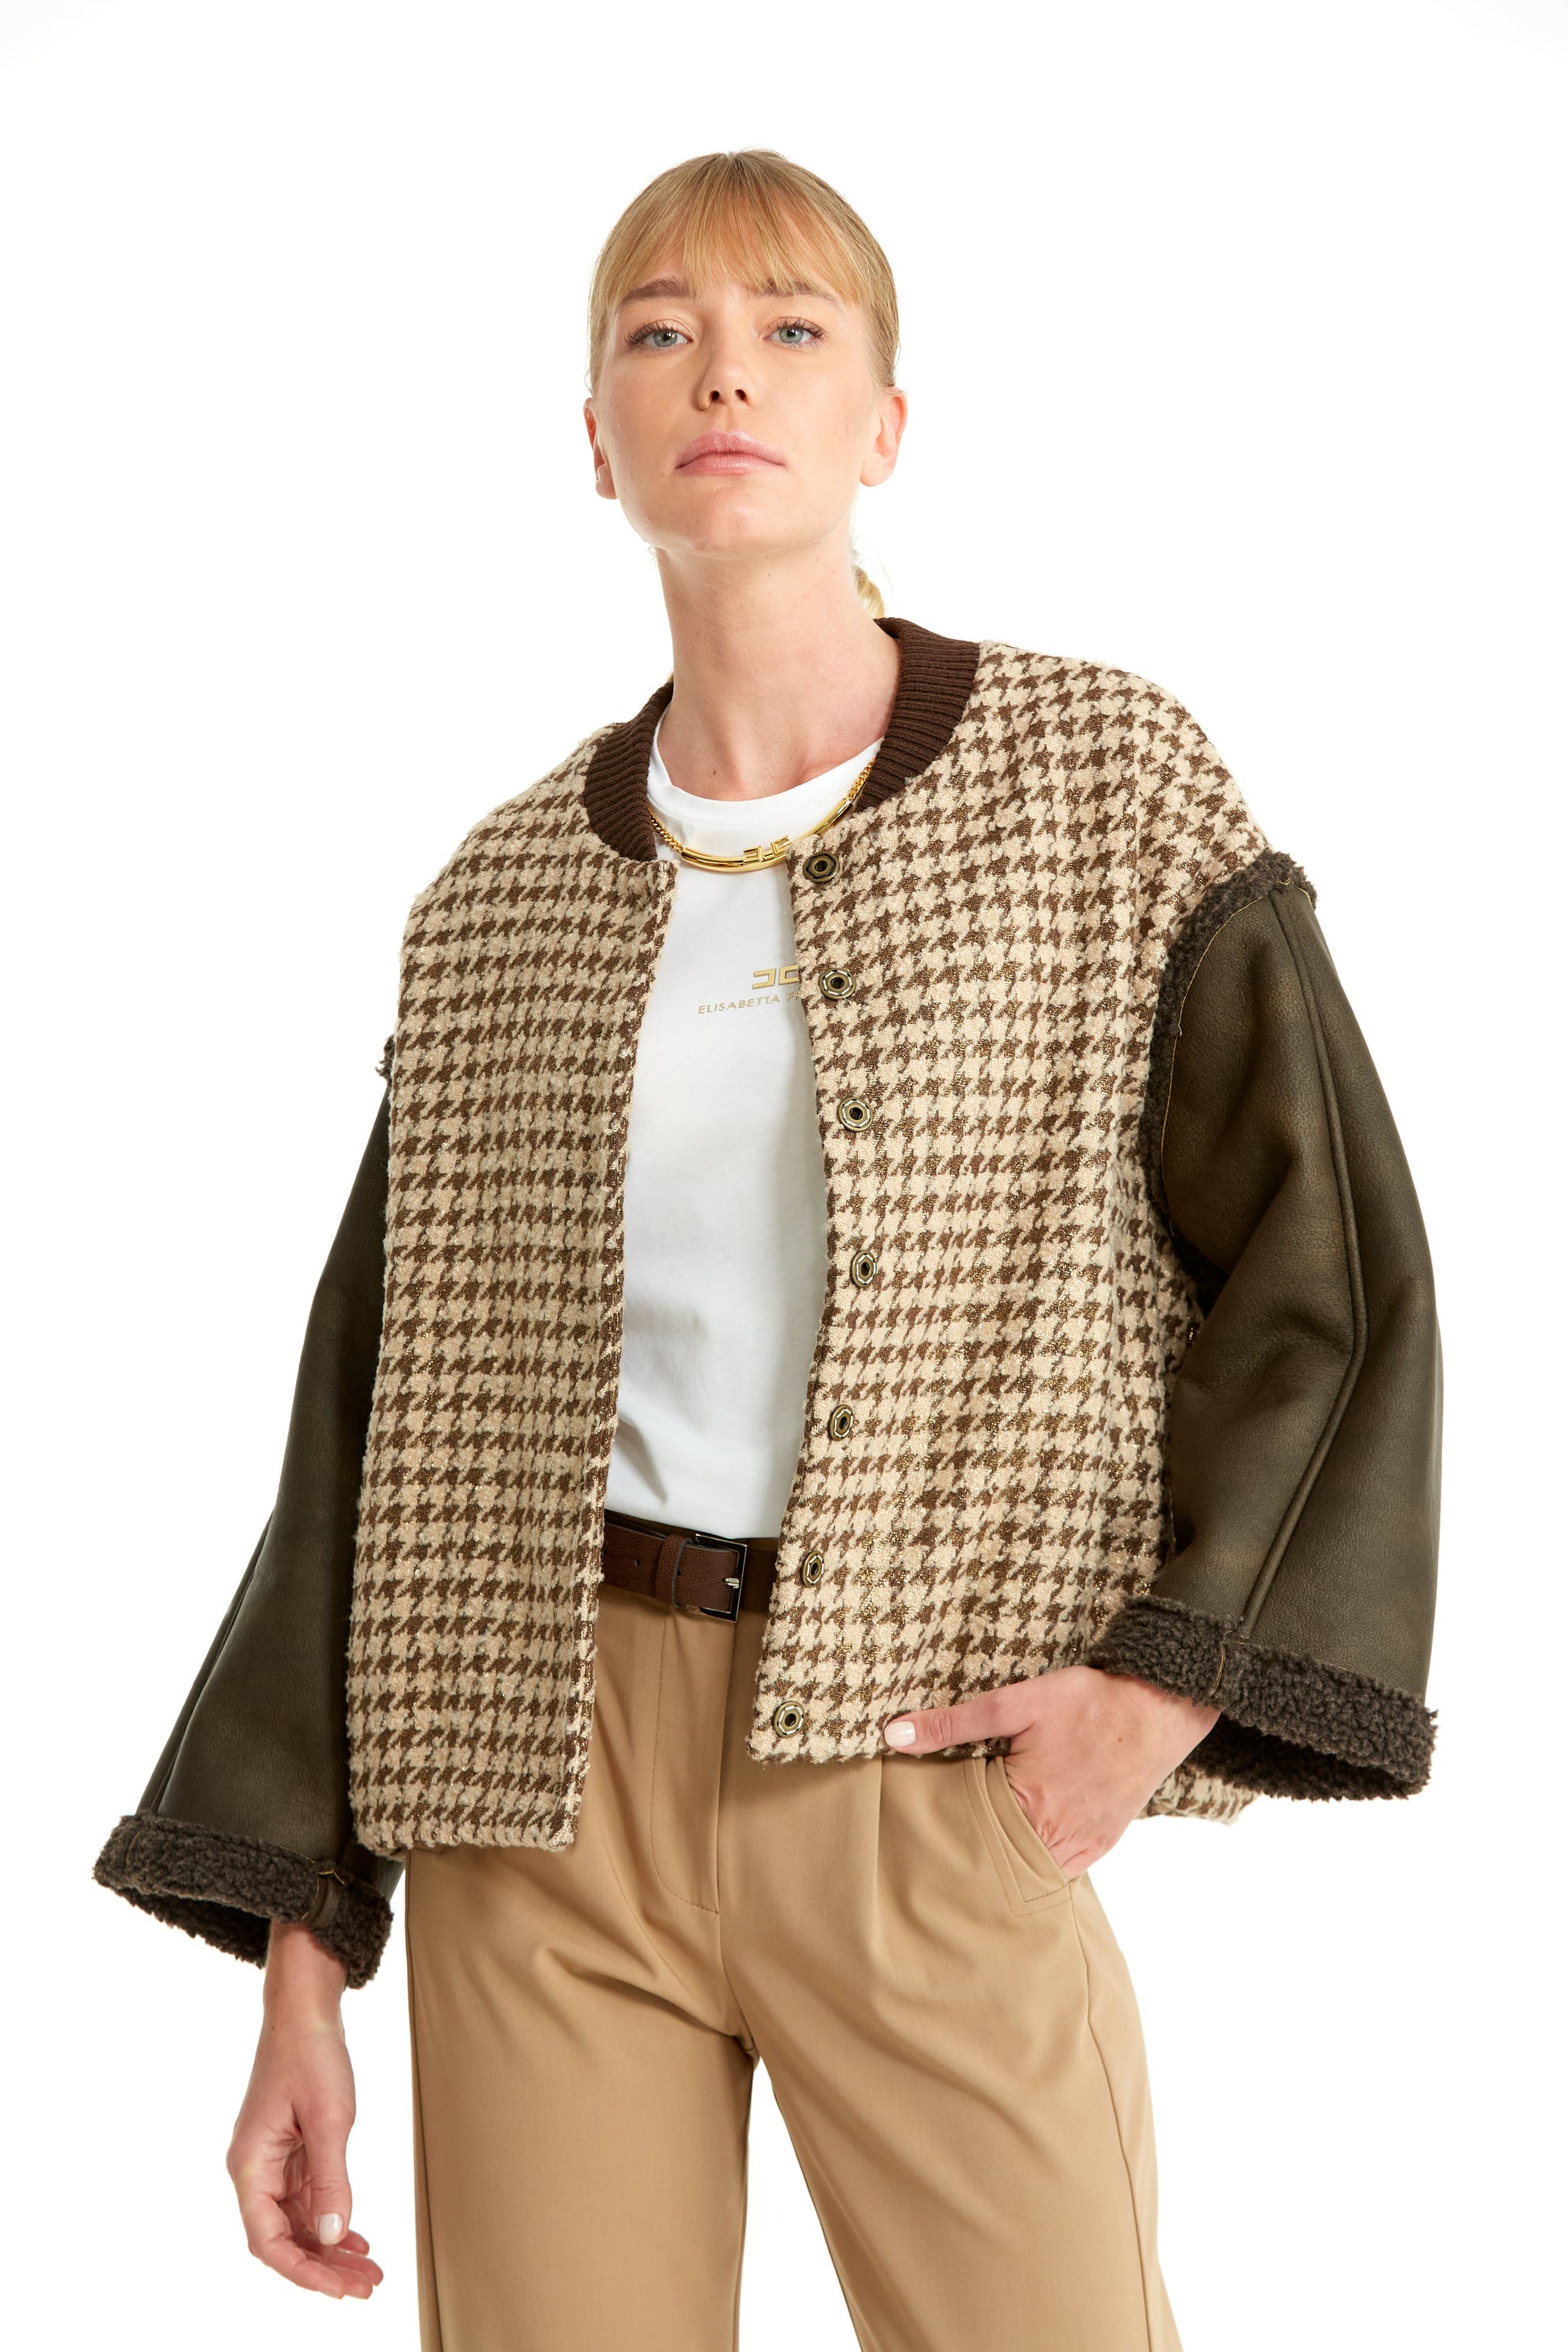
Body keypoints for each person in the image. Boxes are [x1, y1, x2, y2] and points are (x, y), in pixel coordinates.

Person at [93, 148, 1441, 2352]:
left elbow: (1330, 1271)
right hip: (535, 1789)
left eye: (790, 328)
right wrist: (305, 1959)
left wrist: (1162, 1684)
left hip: (924, 1752)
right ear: (594, 435)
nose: (723, 373)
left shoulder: (1103, 788)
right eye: (661, 332)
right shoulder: (503, 898)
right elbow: (371, 1425)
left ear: (882, 422)